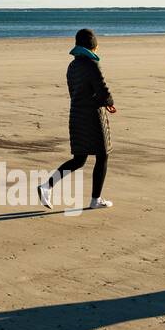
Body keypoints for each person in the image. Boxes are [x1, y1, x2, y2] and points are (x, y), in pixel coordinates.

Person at [38, 28, 116, 210]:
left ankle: (46, 186)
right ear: (93, 46)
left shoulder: (72, 66)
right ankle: (95, 199)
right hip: (92, 117)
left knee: (79, 159)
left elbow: (75, 93)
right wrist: (108, 102)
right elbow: (103, 91)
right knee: (103, 155)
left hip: (76, 116)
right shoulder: (91, 64)